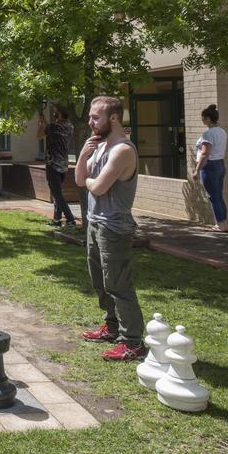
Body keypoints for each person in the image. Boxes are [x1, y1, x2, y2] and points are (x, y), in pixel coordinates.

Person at [74, 95, 146, 361]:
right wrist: (83, 155)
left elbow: (98, 186)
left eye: (95, 117)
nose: (90, 122)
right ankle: (112, 326)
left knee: (118, 284)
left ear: (113, 118)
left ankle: (133, 342)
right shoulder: (100, 147)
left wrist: (92, 180)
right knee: (100, 281)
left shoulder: (123, 150)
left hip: (114, 228)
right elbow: (80, 180)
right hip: (95, 222)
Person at [36, 105, 76, 227]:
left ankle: (70, 219)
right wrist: (46, 124)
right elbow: (53, 131)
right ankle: (57, 220)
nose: (54, 114)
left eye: (55, 113)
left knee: (57, 194)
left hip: (53, 164)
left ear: (59, 114)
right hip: (64, 165)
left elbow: (39, 135)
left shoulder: (53, 127)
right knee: (57, 193)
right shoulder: (69, 126)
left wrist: (41, 124)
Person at [192, 104, 228, 232]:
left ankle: (219, 224)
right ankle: (224, 223)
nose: (202, 120)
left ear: (208, 119)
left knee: (213, 196)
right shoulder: (222, 132)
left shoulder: (208, 134)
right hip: (220, 164)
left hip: (209, 166)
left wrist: (197, 169)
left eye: (203, 118)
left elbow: (205, 153)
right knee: (218, 195)